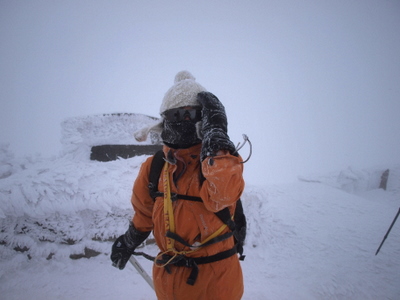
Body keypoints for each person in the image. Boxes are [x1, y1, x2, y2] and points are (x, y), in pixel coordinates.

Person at [111, 71, 245, 300]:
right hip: (169, 285)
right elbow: (145, 213)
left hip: (217, 287)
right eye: (175, 114)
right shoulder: (154, 168)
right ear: (164, 119)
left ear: (204, 120)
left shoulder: (216, 164)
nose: (183, 120)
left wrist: (217, 141)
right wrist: (129, 240)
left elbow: (222, 195)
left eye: (190, 113)